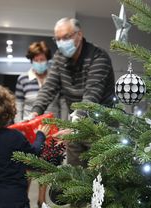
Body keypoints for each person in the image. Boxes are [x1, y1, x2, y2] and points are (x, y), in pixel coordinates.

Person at [32, 17, 115, 166]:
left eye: (66, 37)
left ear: (79, 34)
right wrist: (35, 112)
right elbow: (49, 87)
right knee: (75, 177)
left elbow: (91, 97)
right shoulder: (59, 57)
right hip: (75, 124)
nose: (61, 43)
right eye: (57, 39)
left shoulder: (98, 57)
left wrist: (74, 126)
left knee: (100, 176)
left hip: (101, 128)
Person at [15, 41, 68, 208]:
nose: (40, 62)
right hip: (30, 131)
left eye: (42, 59)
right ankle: (22, 201)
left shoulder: (55, 79)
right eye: (36, 59)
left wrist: (64, 127)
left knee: (47, 166)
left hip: (52, 131)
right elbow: (19, 107)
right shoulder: (23, 79)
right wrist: (19, 129)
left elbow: (62, 105)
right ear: (31, 60)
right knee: (28, 167)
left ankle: (42, 201)